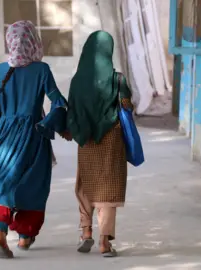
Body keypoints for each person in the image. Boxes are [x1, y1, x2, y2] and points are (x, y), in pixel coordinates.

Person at [0, 20, 68, 259]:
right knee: (33, 182)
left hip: (3, 135)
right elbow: (58, 102)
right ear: (33, 40)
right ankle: (24, 235)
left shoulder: (2, 70)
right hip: (33, 133)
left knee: (0, 180)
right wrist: (51, 123)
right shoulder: (42, 70)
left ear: (10, 42)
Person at [66, 30, 133, 258]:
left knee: (86, 184)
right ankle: (105, 241)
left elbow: (71, 111)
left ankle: (86, 232)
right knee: (108, 188)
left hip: (87, 140)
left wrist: (75, 131)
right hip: (112, 139)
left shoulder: (77, 81)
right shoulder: (118, 80)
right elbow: (127, 105)